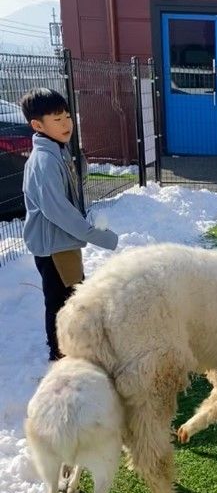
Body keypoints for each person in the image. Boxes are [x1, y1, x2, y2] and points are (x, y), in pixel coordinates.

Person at [20, 88, 118, 361]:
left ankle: (70, 347)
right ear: (37, 125)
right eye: (56, 119)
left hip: (62, 242)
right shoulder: (44, 160)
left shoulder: (57, 151)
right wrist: (103, 237)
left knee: (70, 294)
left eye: (67, 117)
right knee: (63, 300)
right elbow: (59, 212)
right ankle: (60, 353)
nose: (66, 124)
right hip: (54, 245)